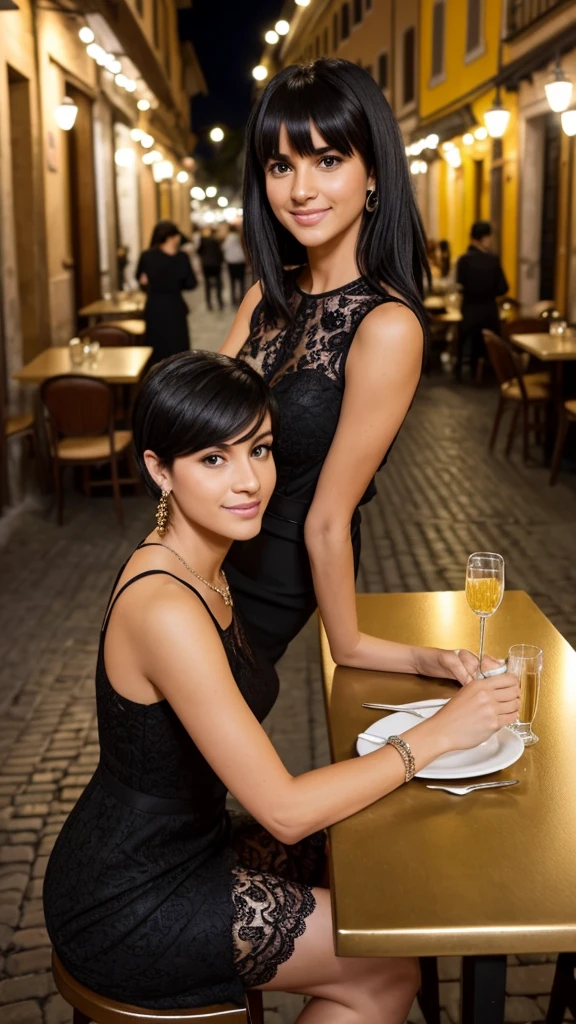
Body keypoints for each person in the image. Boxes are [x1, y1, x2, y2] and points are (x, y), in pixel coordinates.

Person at [43, 351, 520, 1022]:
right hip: (129, 897)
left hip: (186, 843)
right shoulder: (165, 606)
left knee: (362, 861)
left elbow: (341, 644)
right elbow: (285, 810)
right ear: (159, 470)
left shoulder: (206, 564)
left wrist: (429, 659)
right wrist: (440, 734)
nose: (248, 482)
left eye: (260, 450)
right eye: (214, 459)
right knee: (385, 969)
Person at [221, 58, 445, 672]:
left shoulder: (387, 326)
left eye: (327, 159)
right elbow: (196, 437)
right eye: (280, 165)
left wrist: (355, 646)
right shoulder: (264, 298)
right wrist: (161, 563)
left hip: (271, 579)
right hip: (201, 566)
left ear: (373, 173)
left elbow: (329, 517)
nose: (300, 189)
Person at [136, 221, 197, 364]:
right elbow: (191, 284)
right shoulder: (182, 257)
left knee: (156, 346)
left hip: (154, 306)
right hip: (175, 306)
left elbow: (141, 281)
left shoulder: (147, 256)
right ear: (172, 237)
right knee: (177, 347)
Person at [456, 221, 509, 379]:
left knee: (464, 338)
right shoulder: (493, 260)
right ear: (484, 238)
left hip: (469, 311)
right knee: (490, 341)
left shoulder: (463, 261)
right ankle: (490, 372)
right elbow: (503, 288)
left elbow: (460, 285)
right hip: (489, 312)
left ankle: (460, 371)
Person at [198, 228, 224, 311]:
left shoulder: (203, 240)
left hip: (206, 265)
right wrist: (221, 261)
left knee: (207, 284)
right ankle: (219, 301)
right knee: (218, 283)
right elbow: (219, 252)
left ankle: (209, 302)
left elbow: (198, 251)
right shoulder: (215, 241)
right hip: (216, 264)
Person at [223, 225, 247, 305]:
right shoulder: (239, 237)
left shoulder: (228, 239)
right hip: (240, 260)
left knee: (232, 281)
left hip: (231, 261)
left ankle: (233, 298)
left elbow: (224, 248)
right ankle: (242, 297)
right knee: (242, 280)